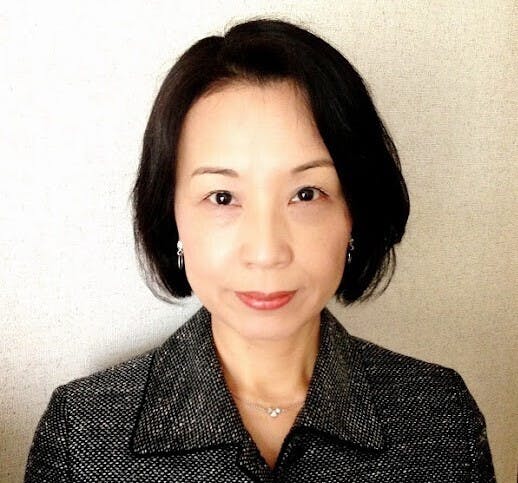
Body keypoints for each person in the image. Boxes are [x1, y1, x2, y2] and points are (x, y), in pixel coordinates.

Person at [25, 18, 495, 482]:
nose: (267, 252)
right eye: (222, 197)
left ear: (354, 212)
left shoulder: (442, 419)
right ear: (172, 216)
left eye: (306, 194)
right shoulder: (79, 434)